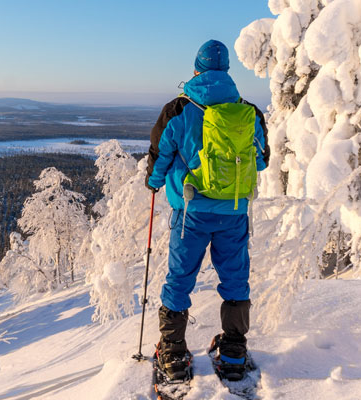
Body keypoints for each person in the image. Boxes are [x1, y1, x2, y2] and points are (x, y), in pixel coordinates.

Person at [145, 39, 268, 382]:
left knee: (180, 278)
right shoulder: (248, 112)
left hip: (191, 213)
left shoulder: (179, 109)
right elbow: (261, 160)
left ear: (196, 69)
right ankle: (232, 351)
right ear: (227, 70)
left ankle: (171, 351)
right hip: (233, 211)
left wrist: (153, 183)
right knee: (235, 278)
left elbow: (160, 154)